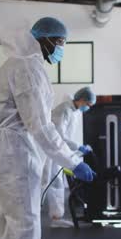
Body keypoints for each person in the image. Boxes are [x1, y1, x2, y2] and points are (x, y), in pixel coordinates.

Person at [0, 17, 96, 239]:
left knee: (9, 223)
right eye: (60, 44)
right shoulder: (28, 68)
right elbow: (40, 126)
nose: (60, 50)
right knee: (25, 223)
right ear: (45, 39)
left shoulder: (10, 65)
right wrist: (73, 161)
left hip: (5, 149)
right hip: (17, 150)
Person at [44, 87, 96, 228]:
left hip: (57, 151)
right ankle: (47, 217)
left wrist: (77, 149)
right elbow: (59, 136)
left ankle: (56, 217)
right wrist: (78, 147)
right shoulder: (64, 110)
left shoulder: (73, 111)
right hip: (50, 153)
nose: (87, 108)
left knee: (55, 183)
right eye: (88, 105)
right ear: (82, 100)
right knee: (47, 183)